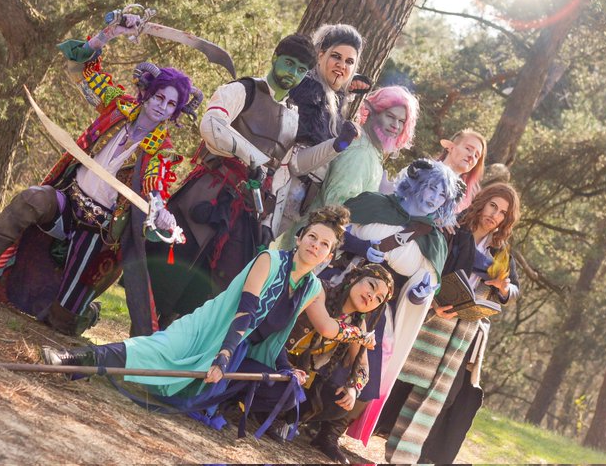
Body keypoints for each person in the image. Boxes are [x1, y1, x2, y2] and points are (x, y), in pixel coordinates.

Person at [0, 13, 199, 337]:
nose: (162, 106)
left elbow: (154, 189)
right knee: (30, 199)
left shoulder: (161, 151)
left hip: (99, 230)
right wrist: (110, 32)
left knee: (61, 322)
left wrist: (161, 213)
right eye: (159, 97)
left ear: (175, 112)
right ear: (147, 93)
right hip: (66, 201)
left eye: (171, 104)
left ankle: (86, 313)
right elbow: (81, 68)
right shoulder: (117, 106)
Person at [40, 206, 378, 432]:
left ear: (329, 256)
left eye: (324, 245)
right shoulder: (270, 260)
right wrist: (224, 354)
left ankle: (214, 404)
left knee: (285, 389)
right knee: (156, 351)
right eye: (312, 237)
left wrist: (358, 337)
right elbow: (246, 310)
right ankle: (72, 361)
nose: (316, 246)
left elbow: (327, 328)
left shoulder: (312, 287)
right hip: (212, 330)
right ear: (300, 237)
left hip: (242, 352)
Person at [146, 34, 323, 328]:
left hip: (247, 210)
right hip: (209, 193)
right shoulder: (244, 90)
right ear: (275, 57)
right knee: (174, 265)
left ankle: (174, 341)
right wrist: (252, 157)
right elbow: (211, 125)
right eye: (289, 63)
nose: (292, 73)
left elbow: (281, 171)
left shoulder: (293, 116)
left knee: (212, 287)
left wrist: (268, 224)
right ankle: (144, 331)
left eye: (301, 69)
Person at [307, 160, 463, 458]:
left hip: (379, 308)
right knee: (310, 344)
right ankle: (287, 409)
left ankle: (330, 432)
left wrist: (420, 294)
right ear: (417, 183)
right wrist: (361, 247)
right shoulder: (373, 203)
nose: (434, 197)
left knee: (367, 364)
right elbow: (332, 232)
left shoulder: (434, 239)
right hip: (337, 287)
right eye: (431, 187)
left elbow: (425, 286)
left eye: (442, 194)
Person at [381, 183, 521, 463]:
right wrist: (433, 301)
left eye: (503, 213)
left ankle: (402, 455)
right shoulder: (453, 228)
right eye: (493, 206)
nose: (495, 215)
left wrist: (504, 288)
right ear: (482, 201)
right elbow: (430, 265)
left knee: (433, 393)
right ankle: (360, 428)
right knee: (396, 374)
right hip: (430, 313)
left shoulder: (499, 251)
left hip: (462, 329)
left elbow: (513, 291)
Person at [260, 264, 394, 463]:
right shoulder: (320, 290)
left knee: (341, 401)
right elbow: (325, 327)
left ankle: (299, 425)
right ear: (353, 278)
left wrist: (354, 388)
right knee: (288, 389)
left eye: (379, 298)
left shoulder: (358, 322)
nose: (371, 296)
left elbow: (363, 367)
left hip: (300, 378)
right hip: (272, 360)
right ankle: (269, 411)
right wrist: (359, 335)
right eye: (371, 286)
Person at [272, 24, 367, 245]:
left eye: (349, 61)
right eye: (336, 57)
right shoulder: (307, 90)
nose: (342, 65)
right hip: (278, 190)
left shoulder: (331, 97)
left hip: (298, 200)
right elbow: (294, 160)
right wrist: (338, 143)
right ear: (321, 54)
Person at [308, 85, 418, 211]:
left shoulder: (373, 150)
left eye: (402, 121)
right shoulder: (361, 152)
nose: (396, 126)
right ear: (373, 113)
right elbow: (334, 206)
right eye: (390, 116)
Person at [438, 129, 487, 211]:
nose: (472, 156)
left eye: (476, 155)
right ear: (451, 147)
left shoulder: (462, 197)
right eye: (468, 148)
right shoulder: (423, 171)